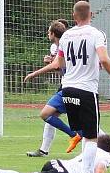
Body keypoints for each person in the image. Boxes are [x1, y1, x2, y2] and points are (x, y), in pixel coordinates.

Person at [56, 1, 110, 173]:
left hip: (67, 88)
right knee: (93, 137)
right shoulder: (96, 34)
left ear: (74, 16)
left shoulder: (66, 36)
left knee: (85, 134)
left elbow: (60, 62)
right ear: (91, 14)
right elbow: (103, 58)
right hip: (86, 90)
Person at [23, 19, 81, 157]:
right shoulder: (62, 46)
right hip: (68, 84)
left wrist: (34, 73)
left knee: (83, 120)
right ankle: (44, 149)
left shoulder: (66, 45)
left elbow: (57, 65)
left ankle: (79, 136)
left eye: (49, 31)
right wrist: (53, 62)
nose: (47, 33)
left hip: (73, 86)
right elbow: (60, 67)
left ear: (53, 33)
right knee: (51, 114)